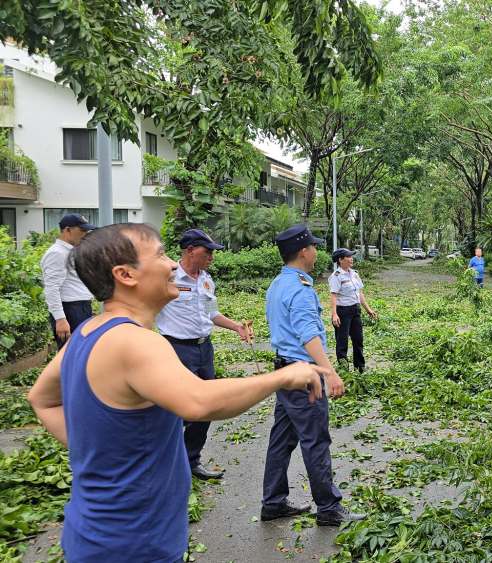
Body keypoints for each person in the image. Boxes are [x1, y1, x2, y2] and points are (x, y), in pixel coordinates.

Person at [26, 223, 325, 563]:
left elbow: (42, 399)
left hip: (96, 534)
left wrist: (101, 451)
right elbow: (198, 401)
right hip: (133, 542)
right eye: (159, 254)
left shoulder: (89, 330)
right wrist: (282, 377)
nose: (171, 264)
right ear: (126, 275)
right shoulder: (135, 341)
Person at [261, 226, 365, 527]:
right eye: (313, 248)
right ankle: (328, 508)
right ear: (303, 251)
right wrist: (330, 372)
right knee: (315, 439)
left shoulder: (278, 284)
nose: (317, 252)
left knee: (281, 438)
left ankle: (273, 502)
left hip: (284, 370)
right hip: (304, 374)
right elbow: (309, 335)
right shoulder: (300, 288)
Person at [156, 228, 253, 480]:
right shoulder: (167, 279)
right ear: (190, 250)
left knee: (207, 406)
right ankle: (166, 463)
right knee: (178, 408)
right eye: (207, 251)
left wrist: (236, 327)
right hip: (176, 349)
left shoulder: (206, 280)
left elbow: (212, 313)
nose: (212, 256)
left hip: (203, 349)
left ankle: (191, 460)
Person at [41, 213, 96, 348]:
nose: (86, 234)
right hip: (70, 310)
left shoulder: (70, 251)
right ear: (67, 230)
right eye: (82, 230)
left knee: (81, 353)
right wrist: (60, 319)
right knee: (70, 355)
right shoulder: (57, 253)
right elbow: (52, 288)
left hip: (80, 308)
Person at [329, 248, 377, 373]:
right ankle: (344, 370)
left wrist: (368, 310)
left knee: (358, 340)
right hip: (342, 312)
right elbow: (333, 295)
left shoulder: (354, 273)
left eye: (351, 256)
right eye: (348, 257)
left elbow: (360, 293)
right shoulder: (336, 276)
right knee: (342, 342)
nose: (351, 259)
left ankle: (360, 367)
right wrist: (334, 314)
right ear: (340, 260)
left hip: (355, 310)